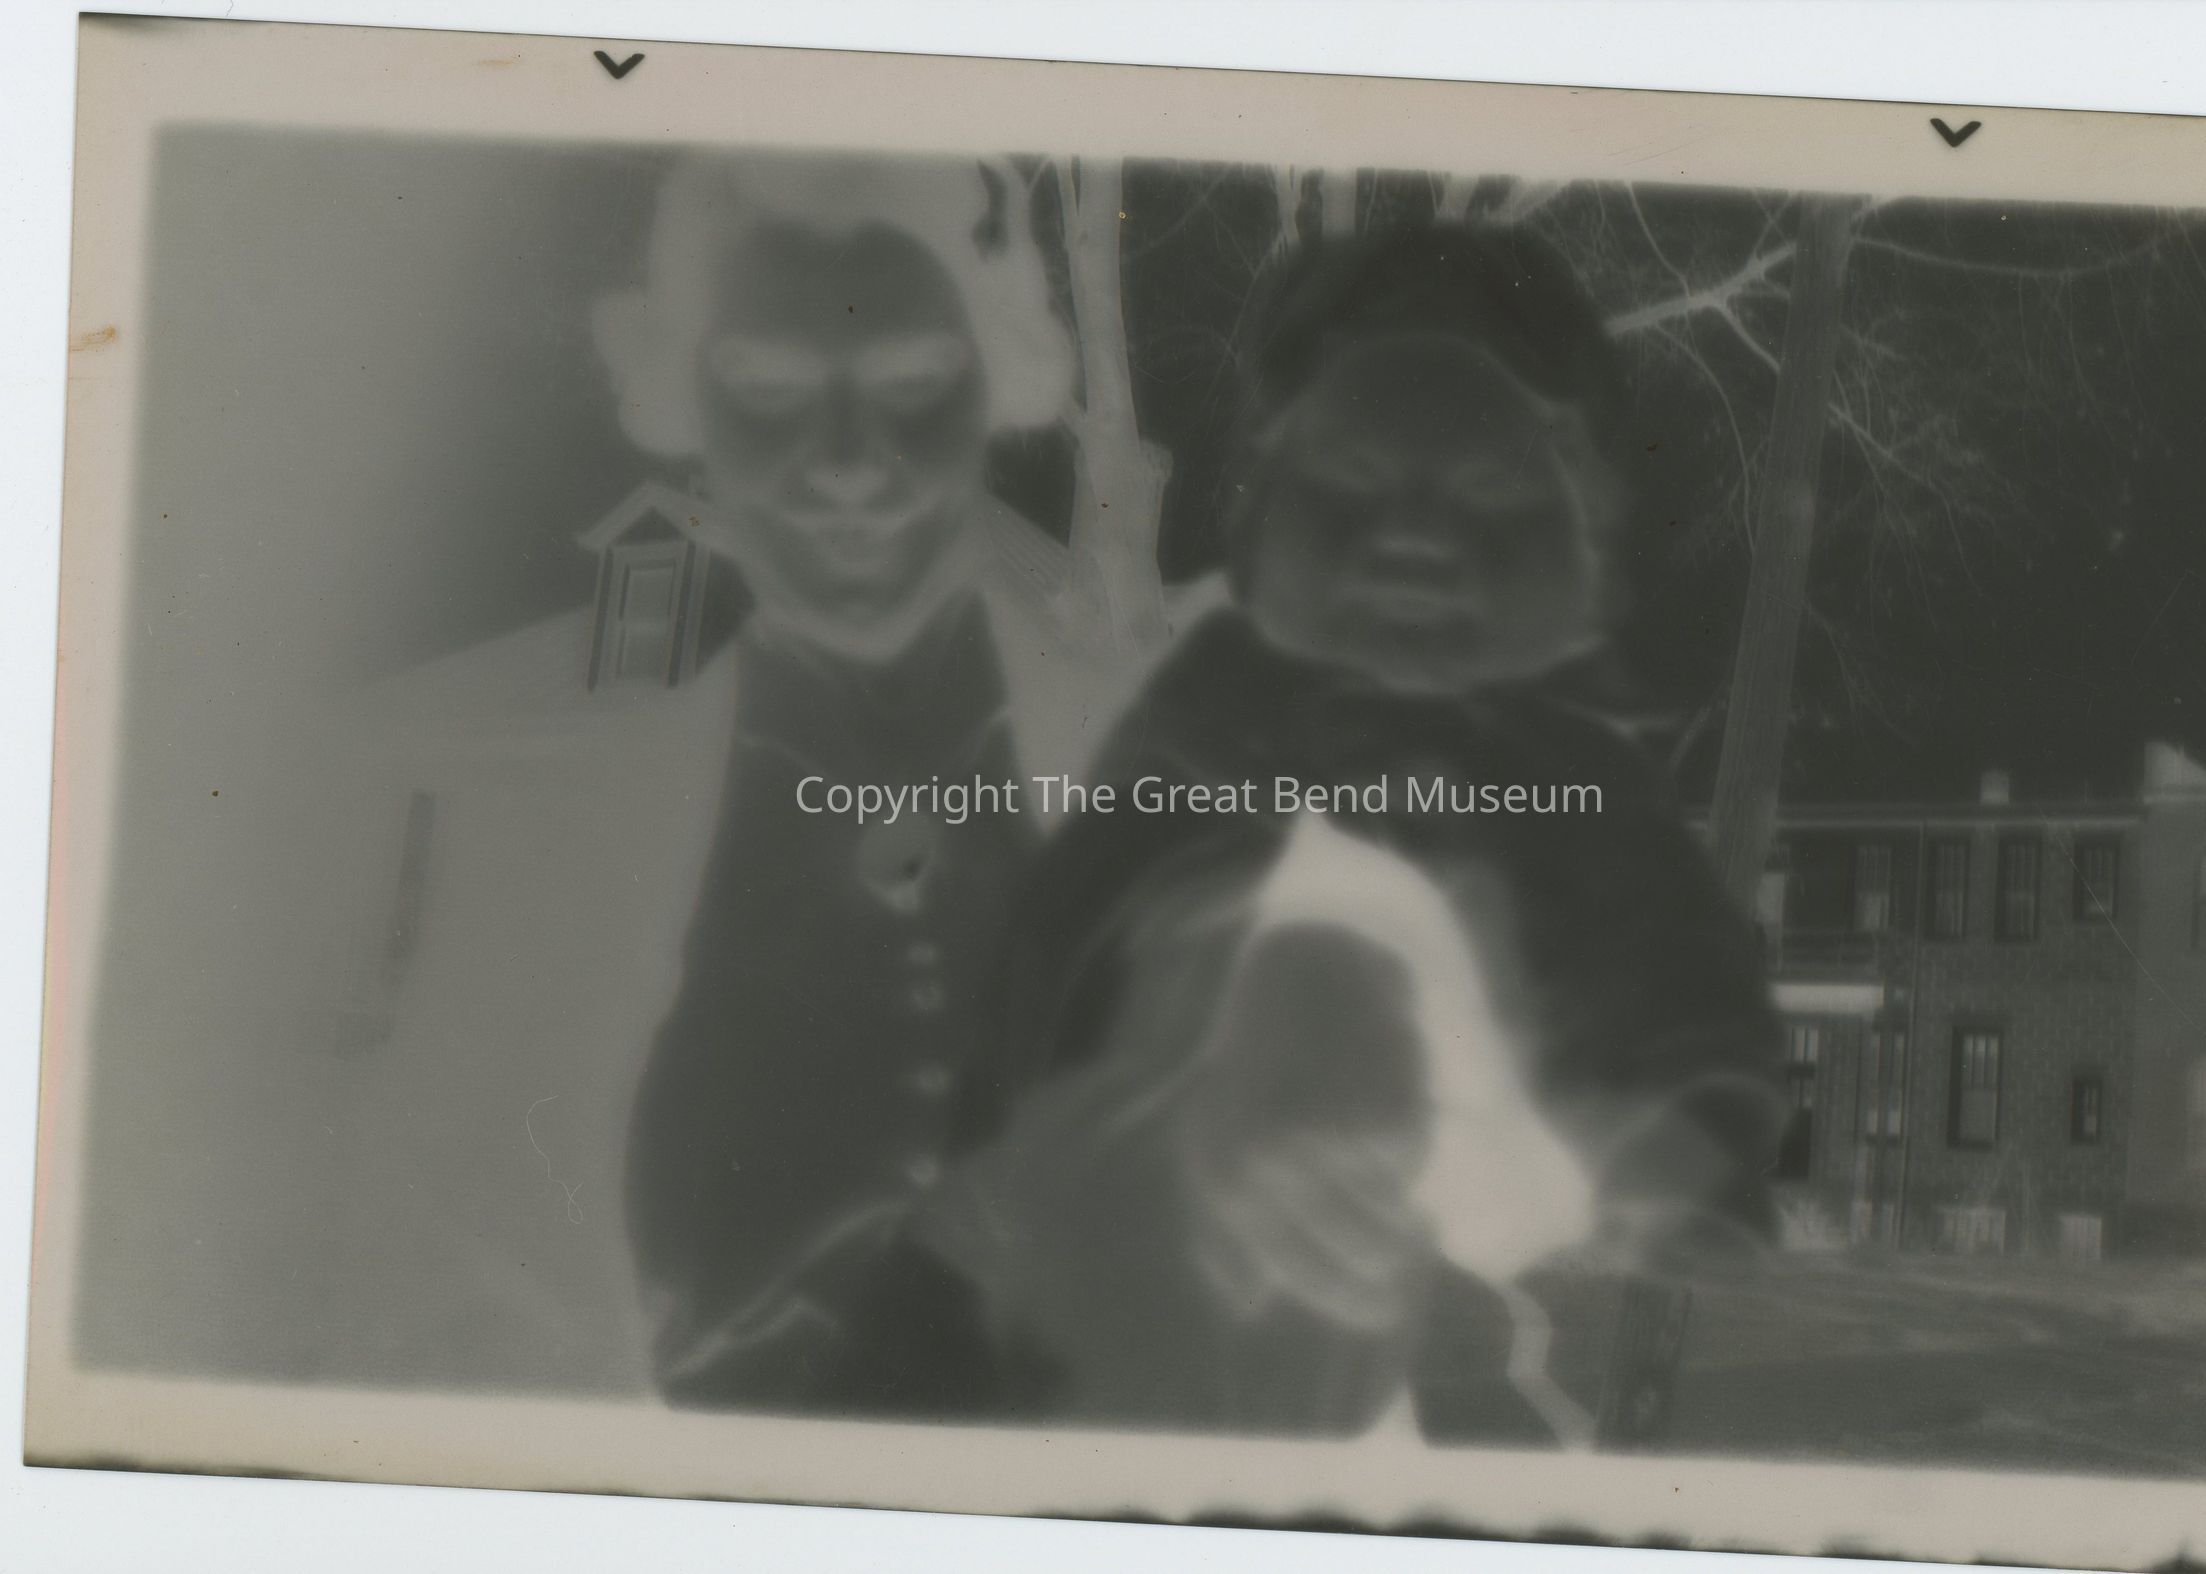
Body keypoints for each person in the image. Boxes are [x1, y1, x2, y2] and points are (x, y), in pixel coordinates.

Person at [850, 223, 1788, 1441]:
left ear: (1584, 554)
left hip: (1321, 1329)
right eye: (1350, 475)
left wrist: (1673, 1141)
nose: (1414, 528)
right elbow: (1091, 899)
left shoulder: (1578, 772)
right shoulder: (1216, 695)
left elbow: (1679, 978)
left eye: (1488, 490)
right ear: (1261, 515)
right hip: (1029, 1239)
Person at [305, 151, 1209, 1402]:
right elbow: (413, 1336)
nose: (845, 456)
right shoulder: (541, 843)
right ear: (684, 403)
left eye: (908, 379)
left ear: (997, 385)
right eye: (772, 386)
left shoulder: (1184, 781)